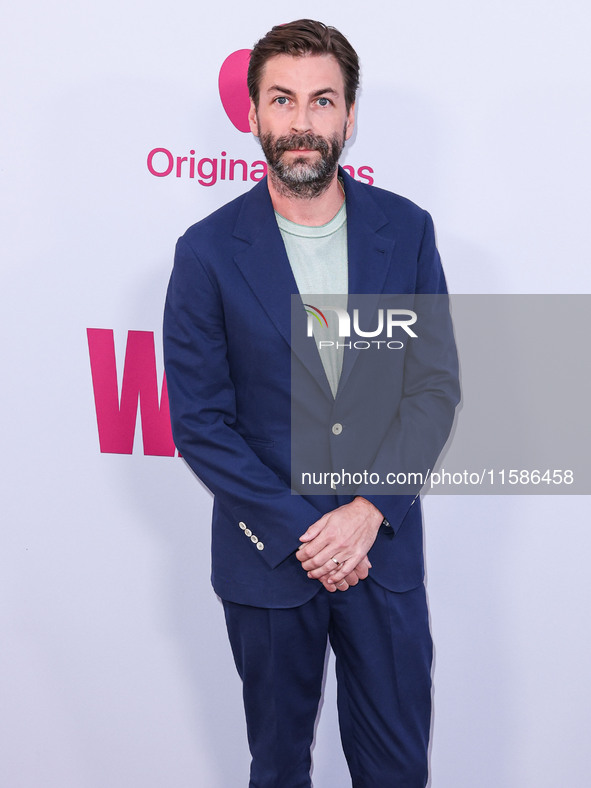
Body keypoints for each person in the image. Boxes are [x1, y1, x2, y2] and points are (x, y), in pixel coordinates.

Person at [163, 19, 459, 788]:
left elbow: (431, 387)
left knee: (397, 769)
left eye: (321, 100)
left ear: (349, 116)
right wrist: (307, 532)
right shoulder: (205, 250)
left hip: (381, 553)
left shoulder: (409, 232)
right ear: (255, 116)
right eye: (283, 101)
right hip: (266, 560)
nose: (302, 123)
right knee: (278, 766)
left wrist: (366, 512)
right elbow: (200, 420)